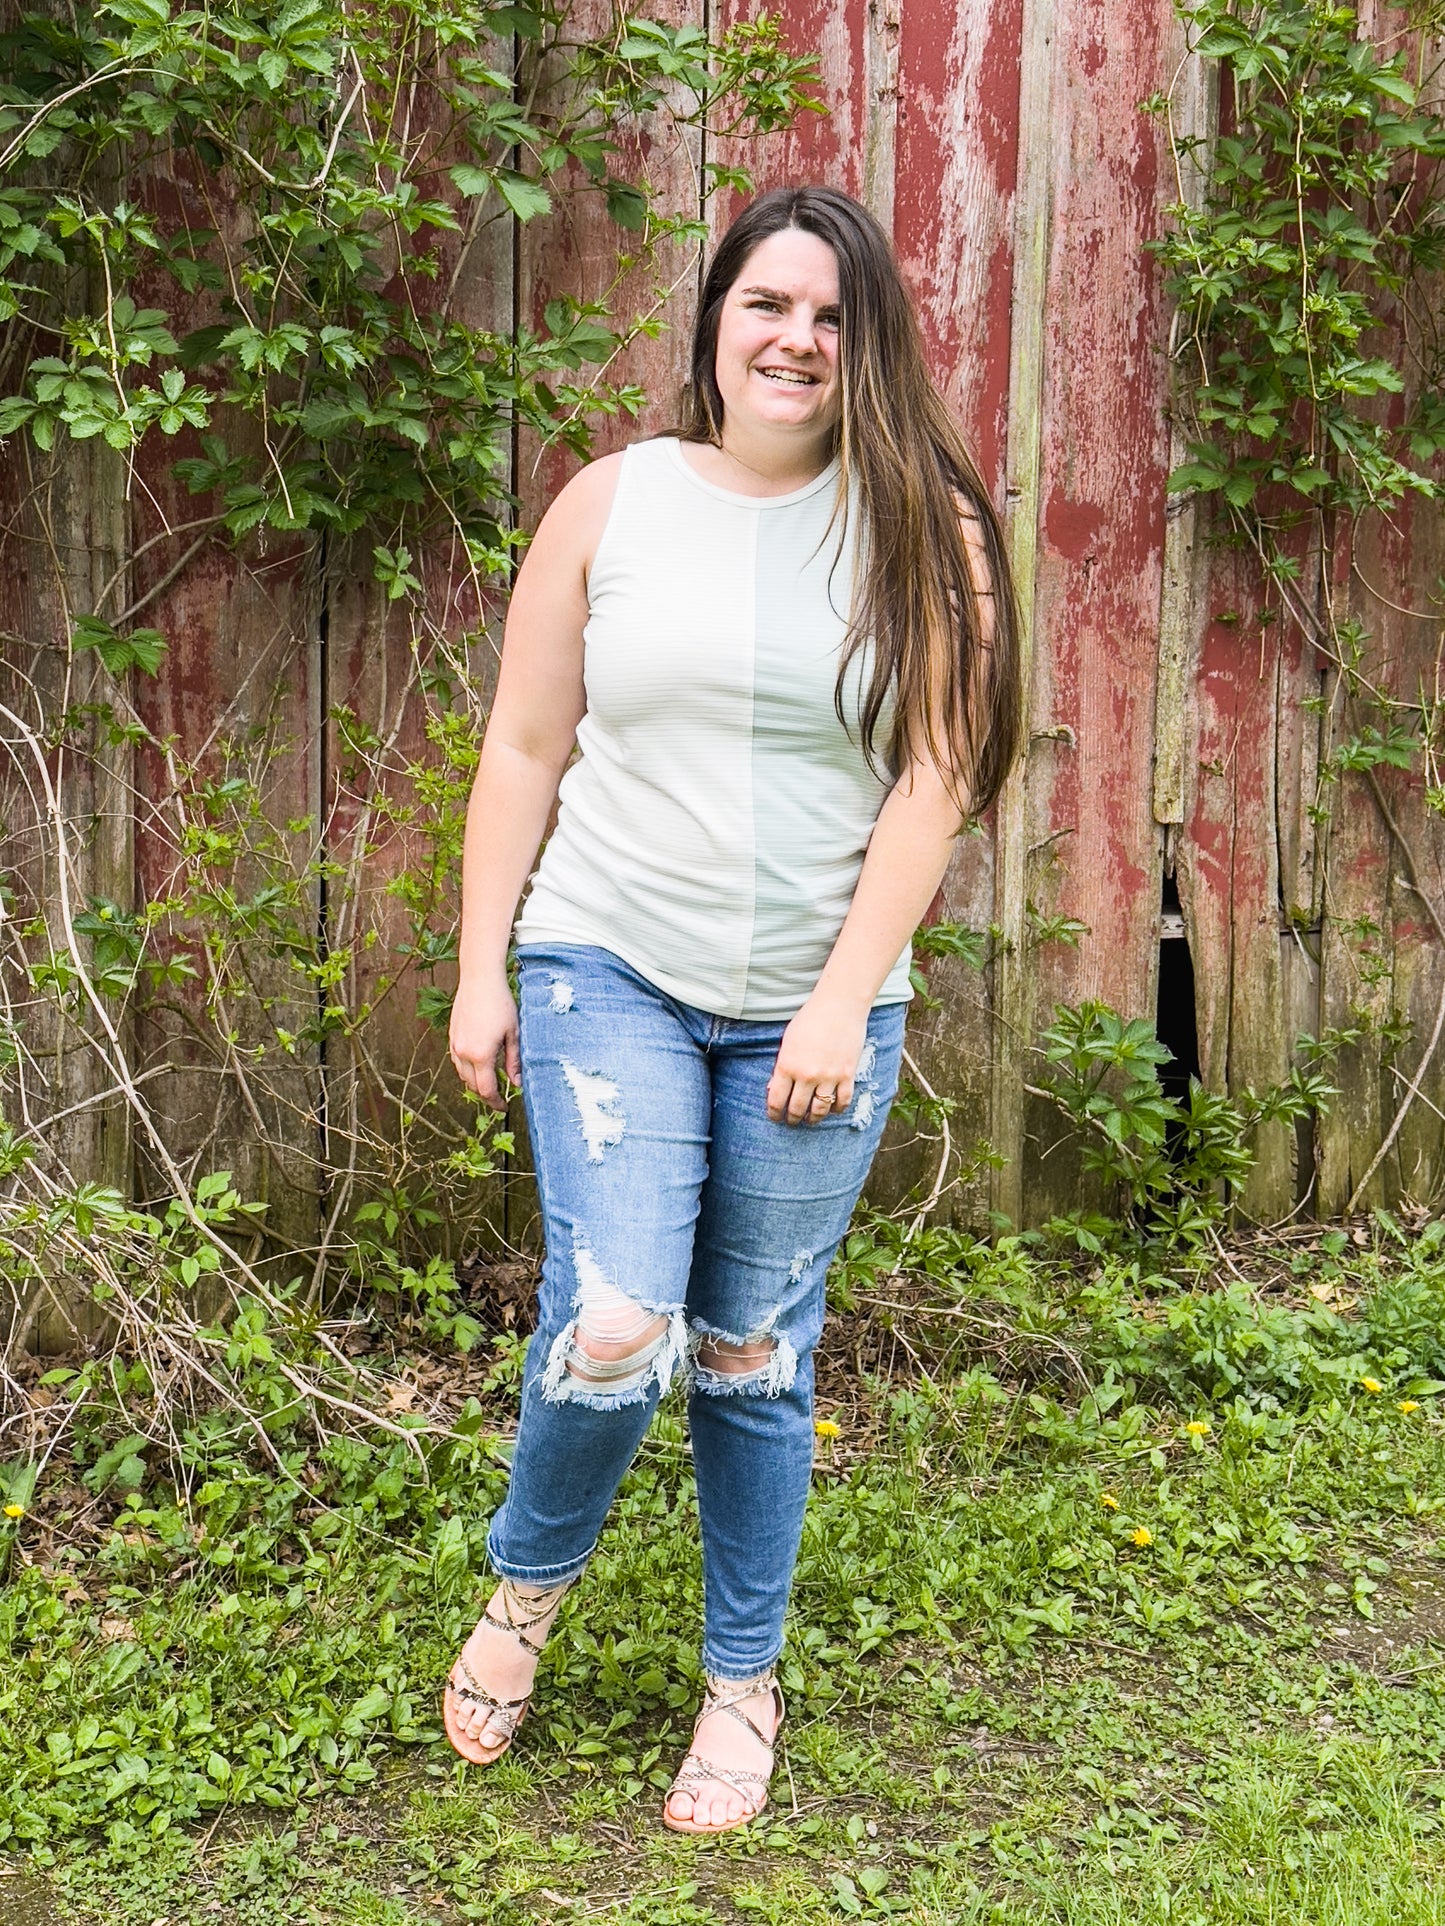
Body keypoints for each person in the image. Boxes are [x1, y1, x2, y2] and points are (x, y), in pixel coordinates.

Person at [443, 183, 1021, 1834]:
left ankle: (739, 1678)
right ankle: (523, 1595)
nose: (798, 339)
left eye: (833, 317)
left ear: (869, 346)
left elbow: (935, 780)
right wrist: (484, 960)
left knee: (750, 1354)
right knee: (616, 1319)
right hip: (606, 961)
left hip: (812, 1008)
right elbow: (525, 745)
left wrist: (843, 998)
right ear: (713, 321)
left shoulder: (924, 529)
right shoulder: (608, 504)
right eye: (769, 303)